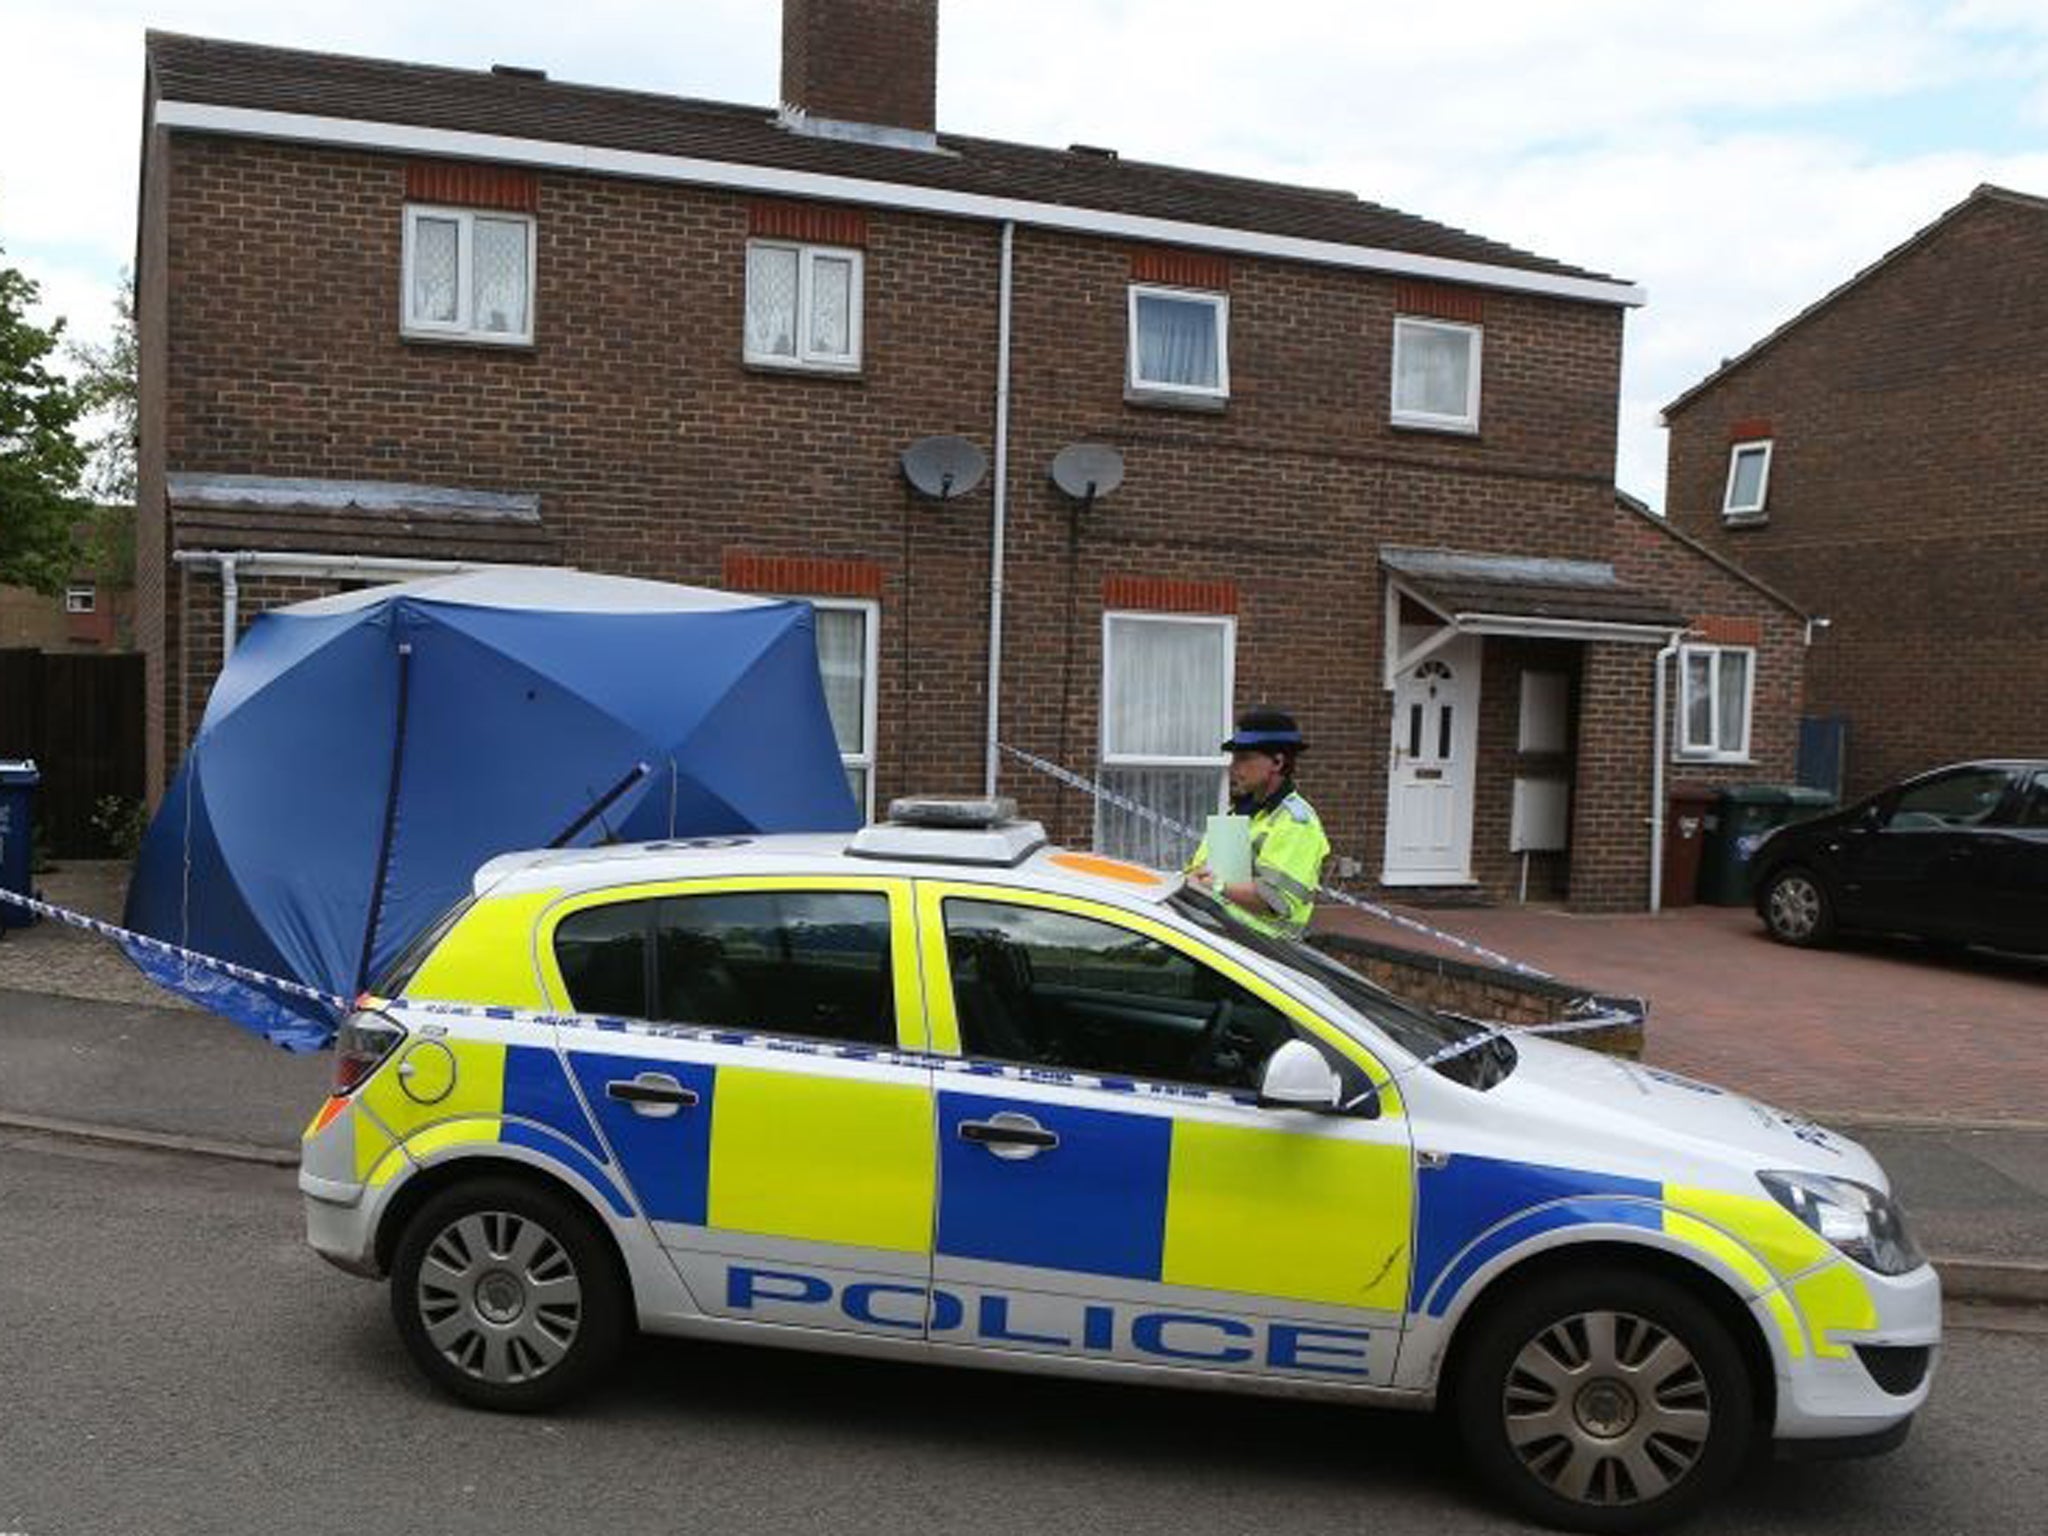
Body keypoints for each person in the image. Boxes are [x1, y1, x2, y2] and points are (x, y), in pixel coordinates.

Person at [1186, 706, 1330, 939]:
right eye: (1234, 758)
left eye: (1244, 758)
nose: (1234, 768)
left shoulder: (1296, 824)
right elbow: (1202, 872)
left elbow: (1274, 900)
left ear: (1277, 762)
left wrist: (1214, 885)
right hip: (1223, 944)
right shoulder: (1240, 813)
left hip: (1265, 957)